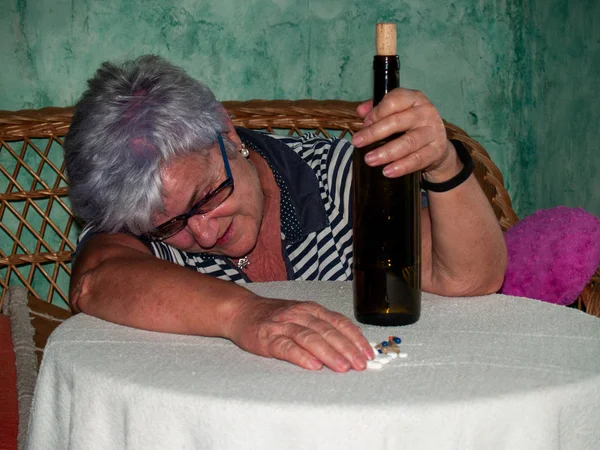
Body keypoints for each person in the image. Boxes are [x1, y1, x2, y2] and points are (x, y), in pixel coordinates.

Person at [66, 55, 507, 373]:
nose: (201, 232)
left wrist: (444, 164)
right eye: (172, 225)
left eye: (207, 196)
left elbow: (467, 278)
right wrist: (242, 315)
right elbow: (95, 281)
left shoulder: (337, 179)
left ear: (226, 132)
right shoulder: (137, 220)